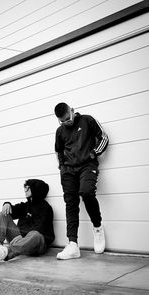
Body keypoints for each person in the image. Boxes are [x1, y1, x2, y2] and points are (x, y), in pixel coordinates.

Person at [54, 102, 109, 260]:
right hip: (68, 171)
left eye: (68, 119)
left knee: (86, 193)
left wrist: (94, 153)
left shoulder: (87, 120)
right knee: (70, 203)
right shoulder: (60, 131)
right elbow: (58, 151)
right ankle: (73, 245)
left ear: (72, 110)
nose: (66, 123)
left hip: (87, 165)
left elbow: (103, 137)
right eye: (62, 121)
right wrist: (62, 167)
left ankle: (97, 227)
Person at [0, 179, 55, 265]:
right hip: (20, 240)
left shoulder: (46, 208)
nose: (25, 189)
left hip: (36, 244)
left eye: (28, 187)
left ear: (36, 190)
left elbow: (40, 229)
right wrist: (7, 204)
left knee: (36, 235)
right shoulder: (25, 205)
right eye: (25, 187)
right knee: (3, 214)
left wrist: (22, 238)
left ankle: (5, 252)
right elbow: (12, 210)